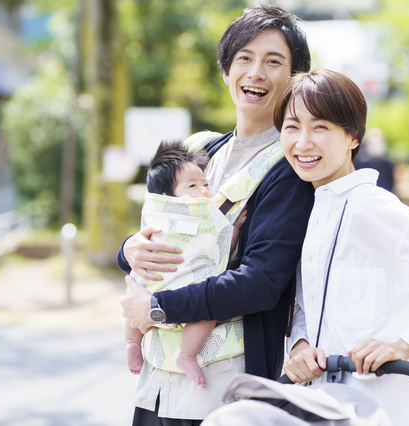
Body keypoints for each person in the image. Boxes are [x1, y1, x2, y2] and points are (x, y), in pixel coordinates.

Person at [118, 5, 314, 424]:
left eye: (273, 62)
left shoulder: (289, 169)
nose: (256, 73)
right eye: (244, 58)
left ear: (295, 78)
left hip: (224, 385)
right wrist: (129, 249)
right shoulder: (200, 151)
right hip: (157, 380)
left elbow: (261, 282)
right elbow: (158, 225)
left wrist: (158, 307)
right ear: (226, 71)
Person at [275, 69, 409, 425]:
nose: (303, 142)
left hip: (388, 405)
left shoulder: (369, 206)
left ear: (353, 137)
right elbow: (309, 303)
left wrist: (403, 344)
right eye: (292, 127)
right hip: (330, 404)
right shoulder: (313, 210)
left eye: (320, 127)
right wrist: (300, 344)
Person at [124, 139, 247, 388]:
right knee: (206, 310)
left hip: (162, 281)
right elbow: (222, 244)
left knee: (135, 293)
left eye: (206, 184)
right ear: (166, 197)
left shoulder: (176, 213)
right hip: (173, 279)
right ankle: (183, 355)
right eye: (193, 185)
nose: (204, 191)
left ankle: (134, 342)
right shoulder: (186, 214)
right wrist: (232, 226)